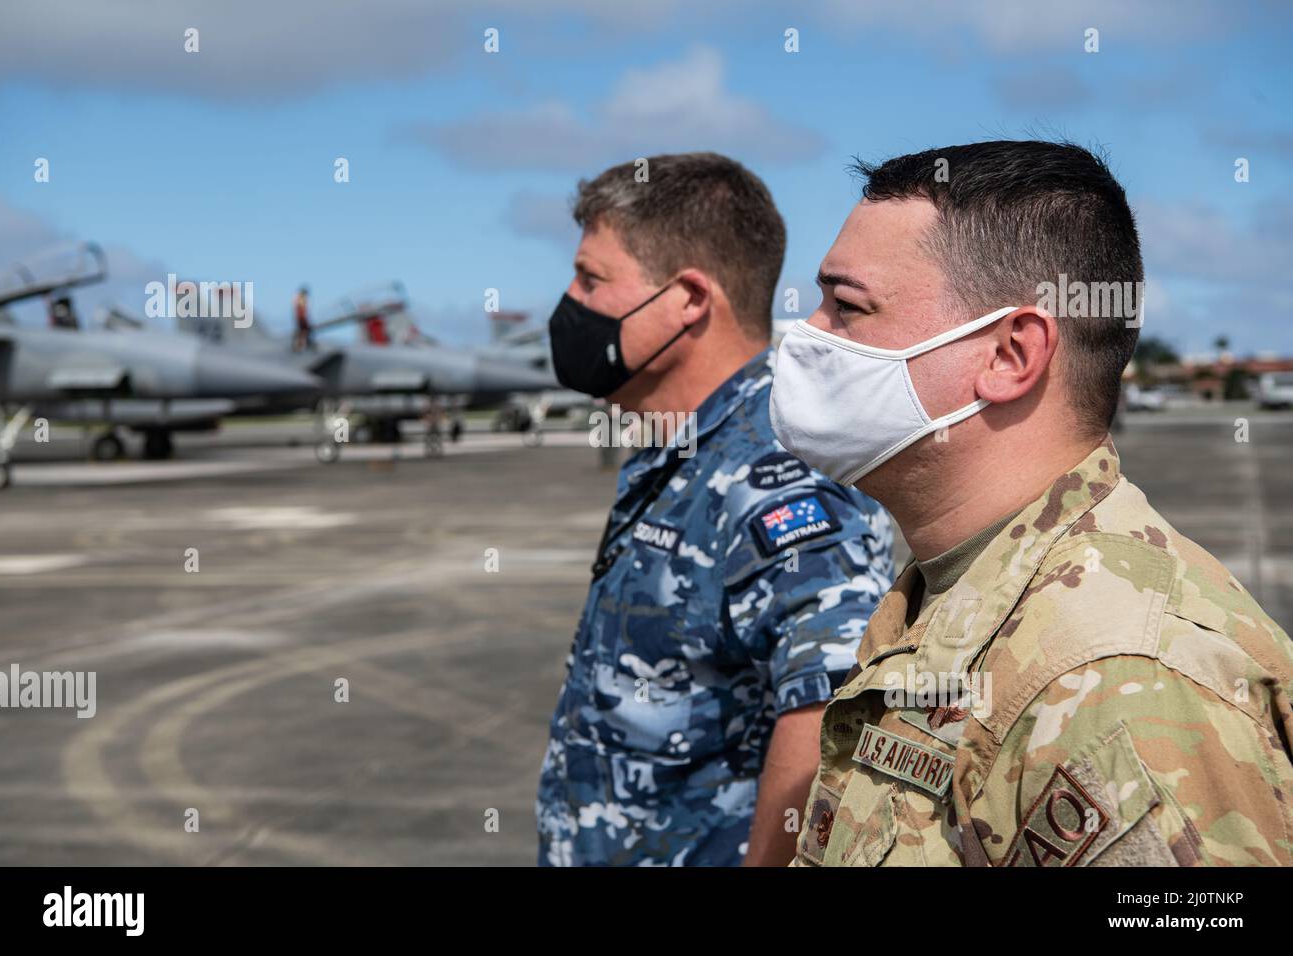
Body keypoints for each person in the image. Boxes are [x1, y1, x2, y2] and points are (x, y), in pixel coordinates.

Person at [772, 140, 1293, 867]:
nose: (806, 335)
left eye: (846, 307)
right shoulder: (955, 592)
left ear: (1010, 355)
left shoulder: (1119, 682)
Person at [537, 152, 894, 866]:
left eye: (592, 278)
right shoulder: (680, 449)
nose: (571, 302)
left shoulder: (784, 474)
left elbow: (827, 719)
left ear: (689, 300)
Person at [292, 285, 311, 351]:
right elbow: (300, 308)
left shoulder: (300, 298)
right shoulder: (300, 298)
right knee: (303, 331)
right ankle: (300, 345)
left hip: (301, 317)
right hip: (301, 317)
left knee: (304, 330)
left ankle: (301, 345)